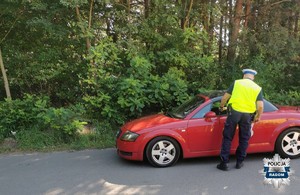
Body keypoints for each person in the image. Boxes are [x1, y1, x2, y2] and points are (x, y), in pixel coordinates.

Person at [217, 69, 264, 171]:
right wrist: (258, 117)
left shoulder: (237, 83)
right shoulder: (257, 88)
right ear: (253, 78)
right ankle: (239, 162)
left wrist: (221, 107)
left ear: (244, 76)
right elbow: (260, 106)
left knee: (227, 137)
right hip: (247, 116)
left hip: (234, 113)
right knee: (244, 139)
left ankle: (224, 163)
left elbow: (225, 97)